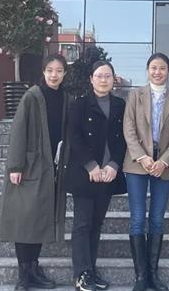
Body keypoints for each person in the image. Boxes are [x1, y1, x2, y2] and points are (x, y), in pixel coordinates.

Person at [0, 53, 71, 291]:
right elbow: (18, 131)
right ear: (43, 72)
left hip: (53, 167)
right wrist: (15, 166)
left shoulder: (67, 98)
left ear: (65, 73)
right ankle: (23, 274)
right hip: (30, 166)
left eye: (59, 71)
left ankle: (34, 269)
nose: (54, 75)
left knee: (39, 220)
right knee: (24, 220)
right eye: (50, 70)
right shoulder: (32, 96)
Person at [123, 53, 169, 291]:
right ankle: (141, 276)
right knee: (138, 218)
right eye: (154, 68)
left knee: (157, 219)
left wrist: (165, 161)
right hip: (137, 162)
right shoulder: (135, 95)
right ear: (147, 70)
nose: (158, 72)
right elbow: (128, 128)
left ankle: (153, 274)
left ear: (168, 71)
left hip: (164, 164)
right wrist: (142, 157)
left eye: (162, 68)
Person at [65, 60, 127, 291]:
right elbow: (74, 137)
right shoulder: (79, 105)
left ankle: (90, 269)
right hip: (85, 173)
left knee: (97, 223)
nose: (103, 80)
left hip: (108, 173)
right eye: (99, 76)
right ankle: (82, 274)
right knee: (83, 224)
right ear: (91, 79)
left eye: (108, 76)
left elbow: (123, 138)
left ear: (114, 79)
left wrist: (114, 165)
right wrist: (91, 166)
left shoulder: (120, 105)